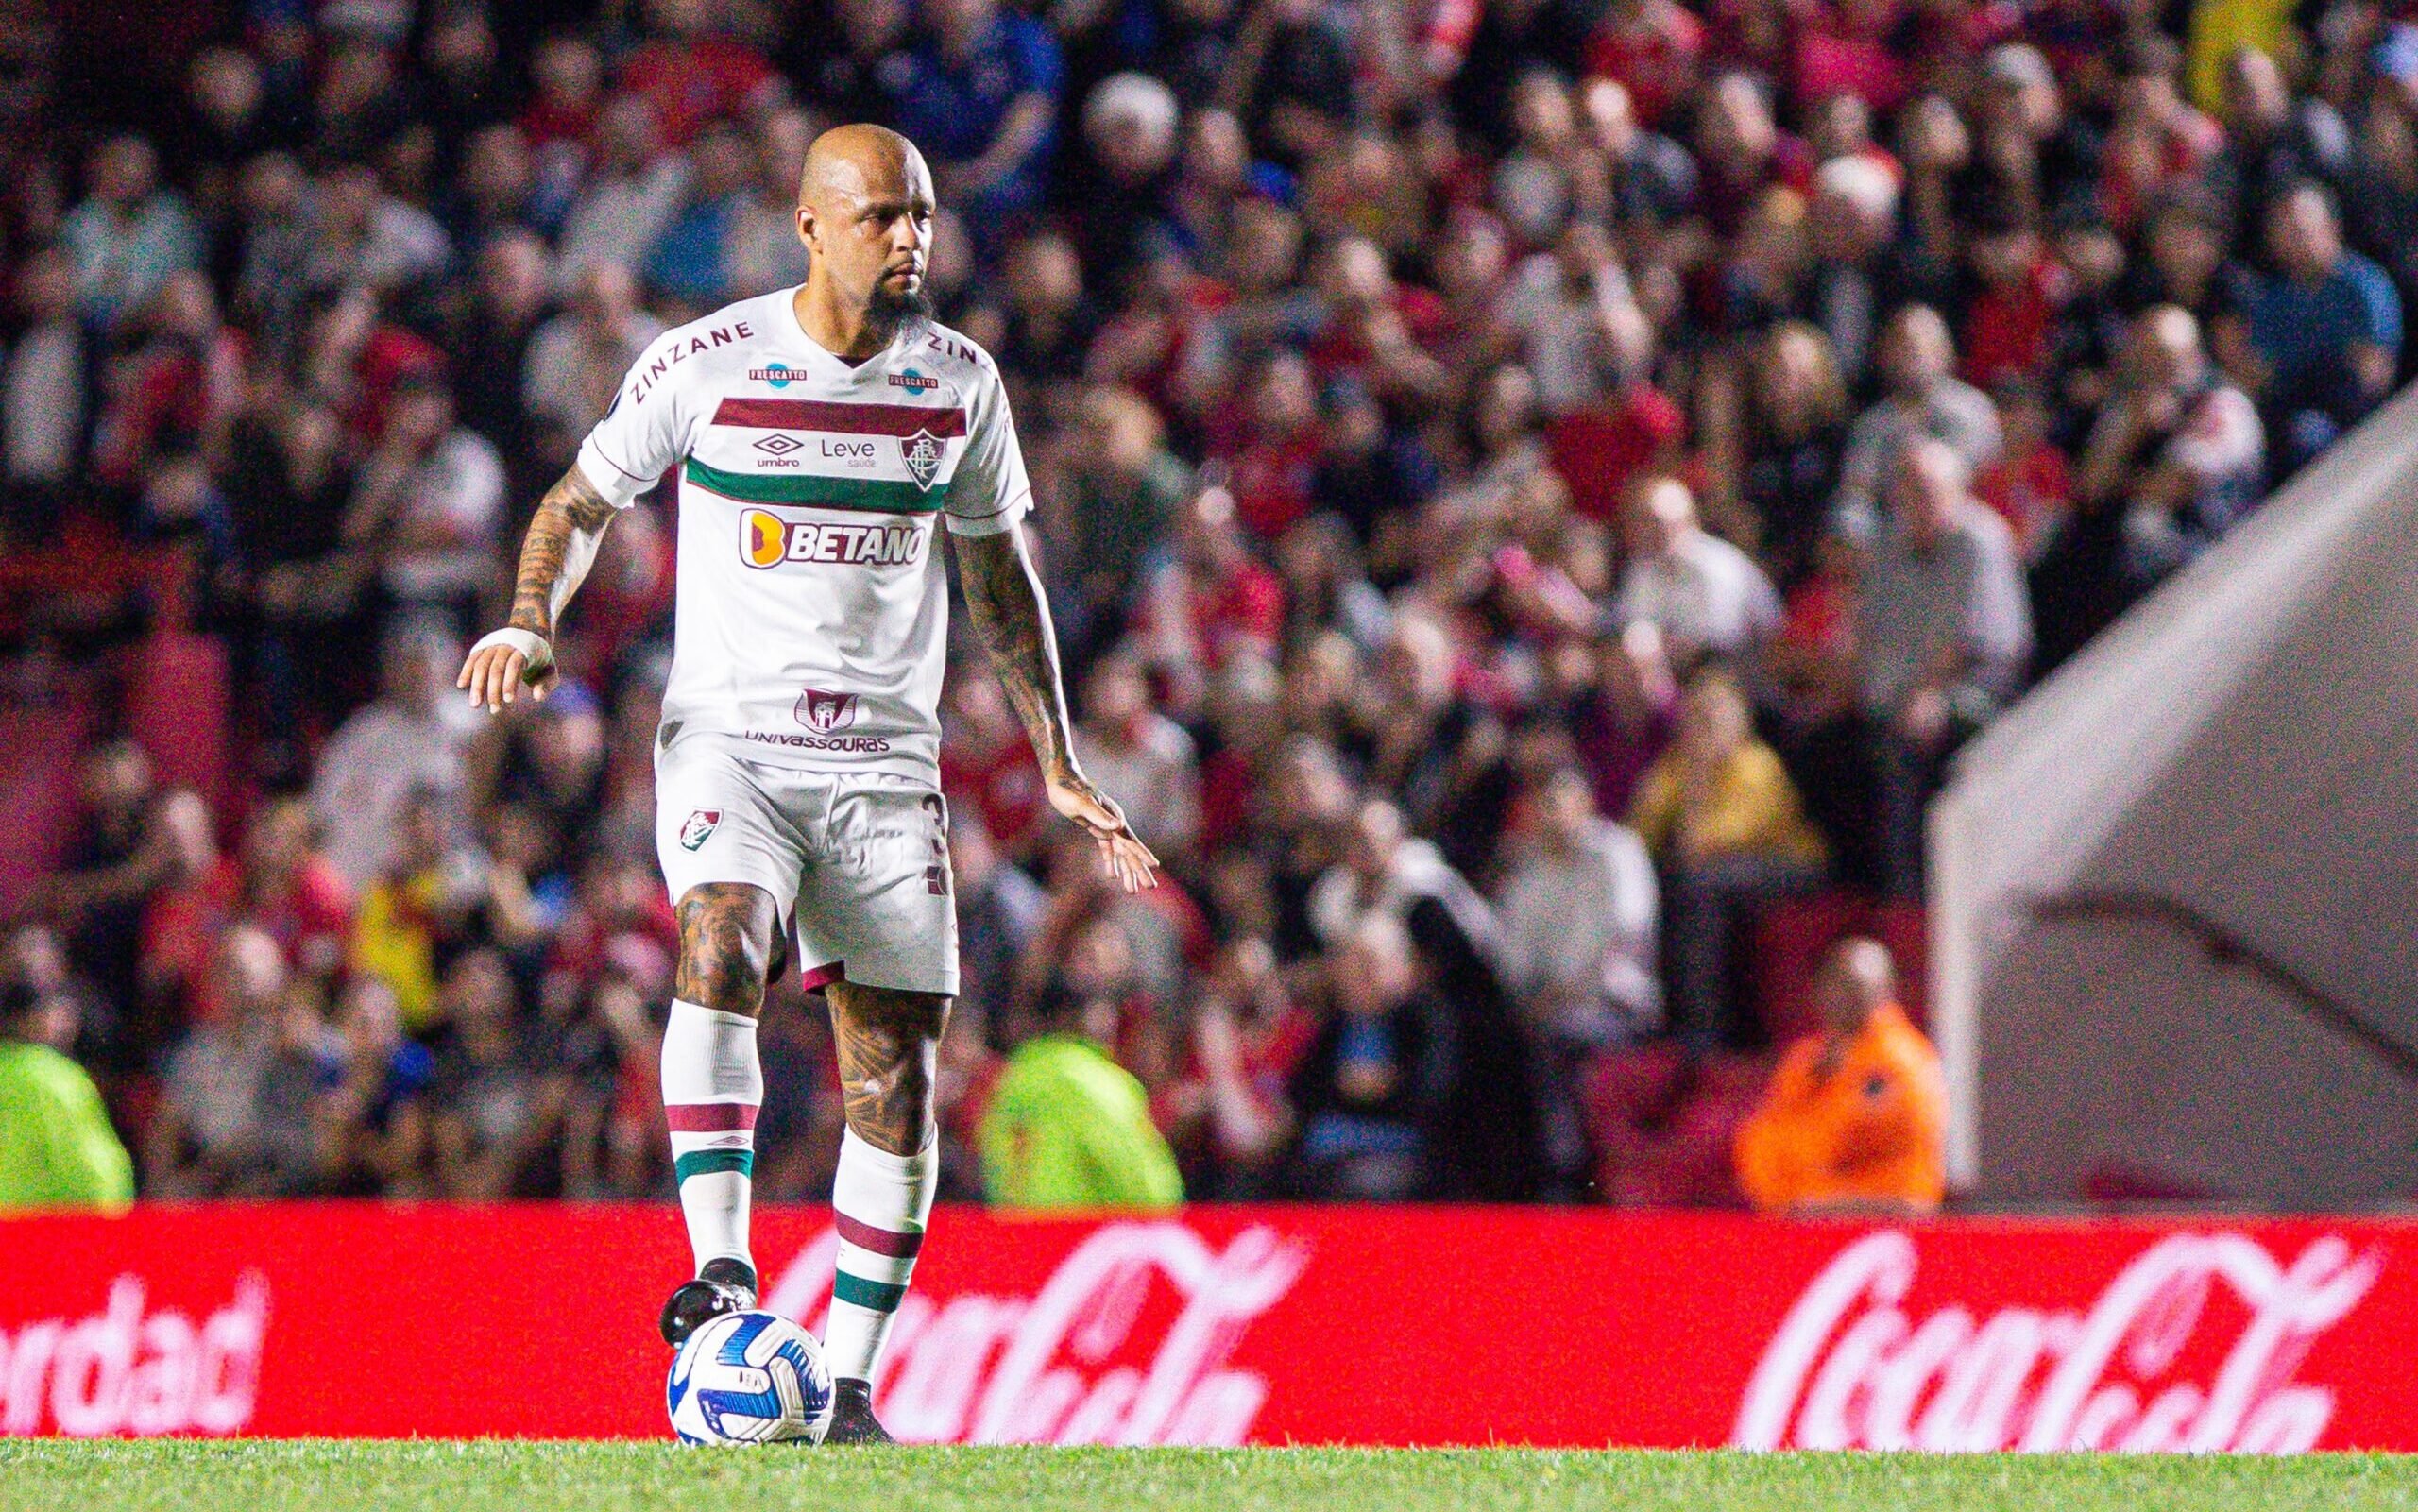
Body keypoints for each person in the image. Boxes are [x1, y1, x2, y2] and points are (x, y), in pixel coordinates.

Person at [455, 123, 1158, 1444]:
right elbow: (578, 499)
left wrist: (1058, 758)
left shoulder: (961, 385)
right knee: (721, 934)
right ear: (812, 225)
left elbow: (999, 577)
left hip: (887, 766)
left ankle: (842, 1388)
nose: (911, 240)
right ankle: (722, 1271)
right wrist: (531, 615)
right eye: (885, 215)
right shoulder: (705, 362)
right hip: (733, 738)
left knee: (893, 1068)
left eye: (926, 216)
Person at [1733, 936, 1947, 1214]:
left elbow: (1832, 1143)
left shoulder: (1898, 1062)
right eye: (1834, 983)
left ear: (1886, 992)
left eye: (1854, 986)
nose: (1841, 996)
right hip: (1801, 1215)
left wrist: (1789, 1160)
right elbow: (1758, 1140)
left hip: (1882, 1221)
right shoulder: (1807, 1057)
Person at [977, 954, 1184, 1212]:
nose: (1111, 1022)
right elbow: (1146, 1186)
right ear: (1071, 1016)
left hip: (1015, 1239)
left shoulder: (1010, 1083)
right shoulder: (1094, 1081)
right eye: (1101, 1010)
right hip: (1079, 1239)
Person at [0, 979, 134, 1213]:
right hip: (40, 1229)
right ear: (33, 1018)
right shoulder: (54, 1079)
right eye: (58, 1010)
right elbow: (93, 1172)